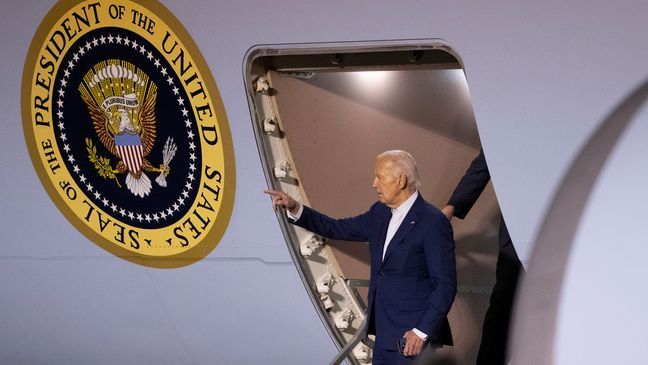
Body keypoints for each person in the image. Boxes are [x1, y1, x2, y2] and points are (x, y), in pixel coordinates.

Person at [266, 150, 456, 365]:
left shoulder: (432, 222)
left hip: (412, 337)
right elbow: (337, 228)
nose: (374, 184)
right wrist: (295, 207)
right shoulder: (379, 213)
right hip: (384, 332)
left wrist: (421, 332)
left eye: (380, 177)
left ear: (400, 180)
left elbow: (445, 285)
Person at [441, 148, 523, 365]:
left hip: (565, 234)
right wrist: (450, 210)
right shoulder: (509, 119)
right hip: (516, 238)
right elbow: (484, 163)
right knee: (501, 312)